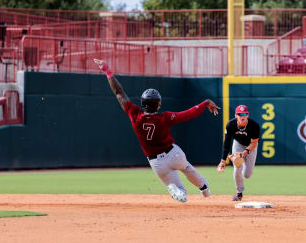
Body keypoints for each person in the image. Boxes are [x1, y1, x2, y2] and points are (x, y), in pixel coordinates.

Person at [94, 58, 220, 203]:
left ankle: (174, 188)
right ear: (158, 104)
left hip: (156, 163)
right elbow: (189, 113)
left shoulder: (135, 115)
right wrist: (204, 103)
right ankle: (204, 188)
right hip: (174, 154)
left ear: (142, 103)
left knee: (180, 191)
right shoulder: (165, 117)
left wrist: (107, 71)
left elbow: (119, 93)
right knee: (186, 168)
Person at [217, 105, 260, 201]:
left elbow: (254, 143)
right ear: (236, 115)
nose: (242, 116)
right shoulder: (230, 125)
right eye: (240, 114)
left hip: (250, 146)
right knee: (237, 167)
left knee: (247, 175)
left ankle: (244, 163)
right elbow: (227, 143)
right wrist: (223, 160)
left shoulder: (254, 126)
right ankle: (239, 193)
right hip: (238, 144)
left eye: (244, 114)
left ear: (247, 115)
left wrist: (244, 154)